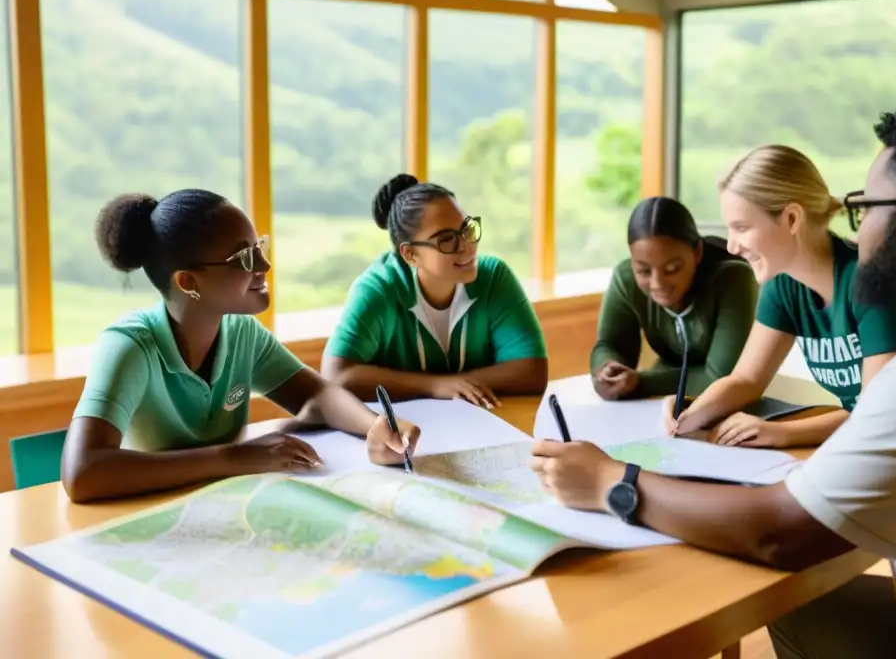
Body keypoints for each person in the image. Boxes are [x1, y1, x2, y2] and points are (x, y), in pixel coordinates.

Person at [531, 98, 896, 659]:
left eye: (864, 211)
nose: (856, 234)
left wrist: (611, 482)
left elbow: (780, 532)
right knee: (799, 604)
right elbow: (745, 380)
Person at [61, 190, 420, 504]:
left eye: (258, 248)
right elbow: (82, 473)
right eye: (245, 258)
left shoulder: (242, 332)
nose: (264, 265)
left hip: (227, 507)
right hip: (146, 518)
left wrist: (376, 425)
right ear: (188, 282)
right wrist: (236, 458)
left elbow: (318, 396)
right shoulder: (130, 347)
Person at [663, 144, 896, 449]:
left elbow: (877, 414)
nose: (732, 246)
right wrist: (690, 415)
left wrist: (779, 433)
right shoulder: (783, 286)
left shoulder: (869, 284)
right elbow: (746, 380)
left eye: (741, 228)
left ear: (792, 219)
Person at [320, 174, 548, 408]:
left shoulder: (493, 277)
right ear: (410, 254)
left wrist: (454, 384)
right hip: (399, 437)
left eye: (467, 229)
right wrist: (436, 386)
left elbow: (532, 370)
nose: (466, 246)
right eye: (446, 240)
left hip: (479, 426)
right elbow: (336, 377)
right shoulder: (378, 289)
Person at [590, 196, 758, 400]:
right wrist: (607, 369)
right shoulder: (626, 279)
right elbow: (609, 345)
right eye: (643, 270)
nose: (658, 283)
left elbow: (721, 379)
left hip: (735, 398)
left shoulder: (734, 279)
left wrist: (641, 381)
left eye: (672, 269)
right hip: (665, 392)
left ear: (697, 252)